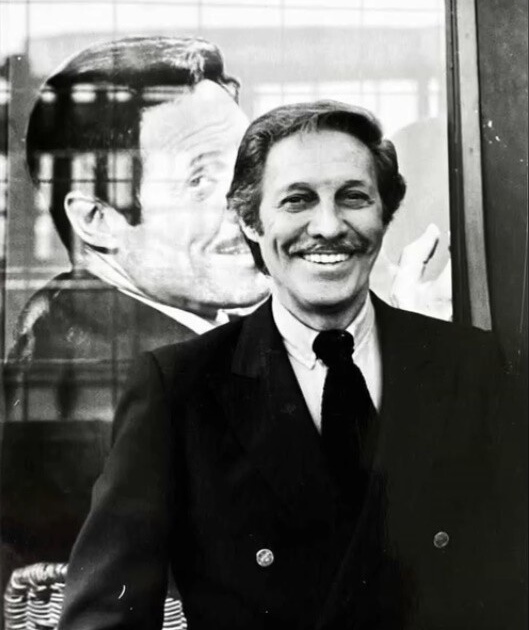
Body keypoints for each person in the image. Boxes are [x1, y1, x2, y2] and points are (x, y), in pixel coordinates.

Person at [58, 101, 522, 629]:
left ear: (384, 214)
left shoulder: (470, 367)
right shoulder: (180, 388)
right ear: (250, 221)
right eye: (297, 200)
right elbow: (102, 619)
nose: (328, 226)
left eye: (354, 197)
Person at [1, 35, 269, 587]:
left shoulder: (75, 316)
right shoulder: (132, 386)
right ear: (98, 220)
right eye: (200, 181)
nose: (253, 205)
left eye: (247, 169)